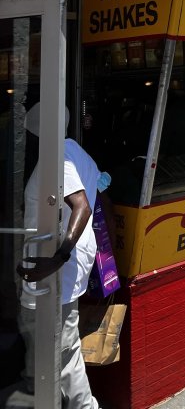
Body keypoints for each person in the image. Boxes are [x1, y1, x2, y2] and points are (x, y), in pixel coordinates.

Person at [16, 103, 108, 409]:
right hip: (66, 258)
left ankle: (83, 406)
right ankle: (40, 390)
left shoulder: (59, 156)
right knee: (54, 336)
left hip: (58, 263)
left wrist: (57, 258)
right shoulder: (76, 151)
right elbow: (97, 187)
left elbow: (80, 205)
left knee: (63, 343)